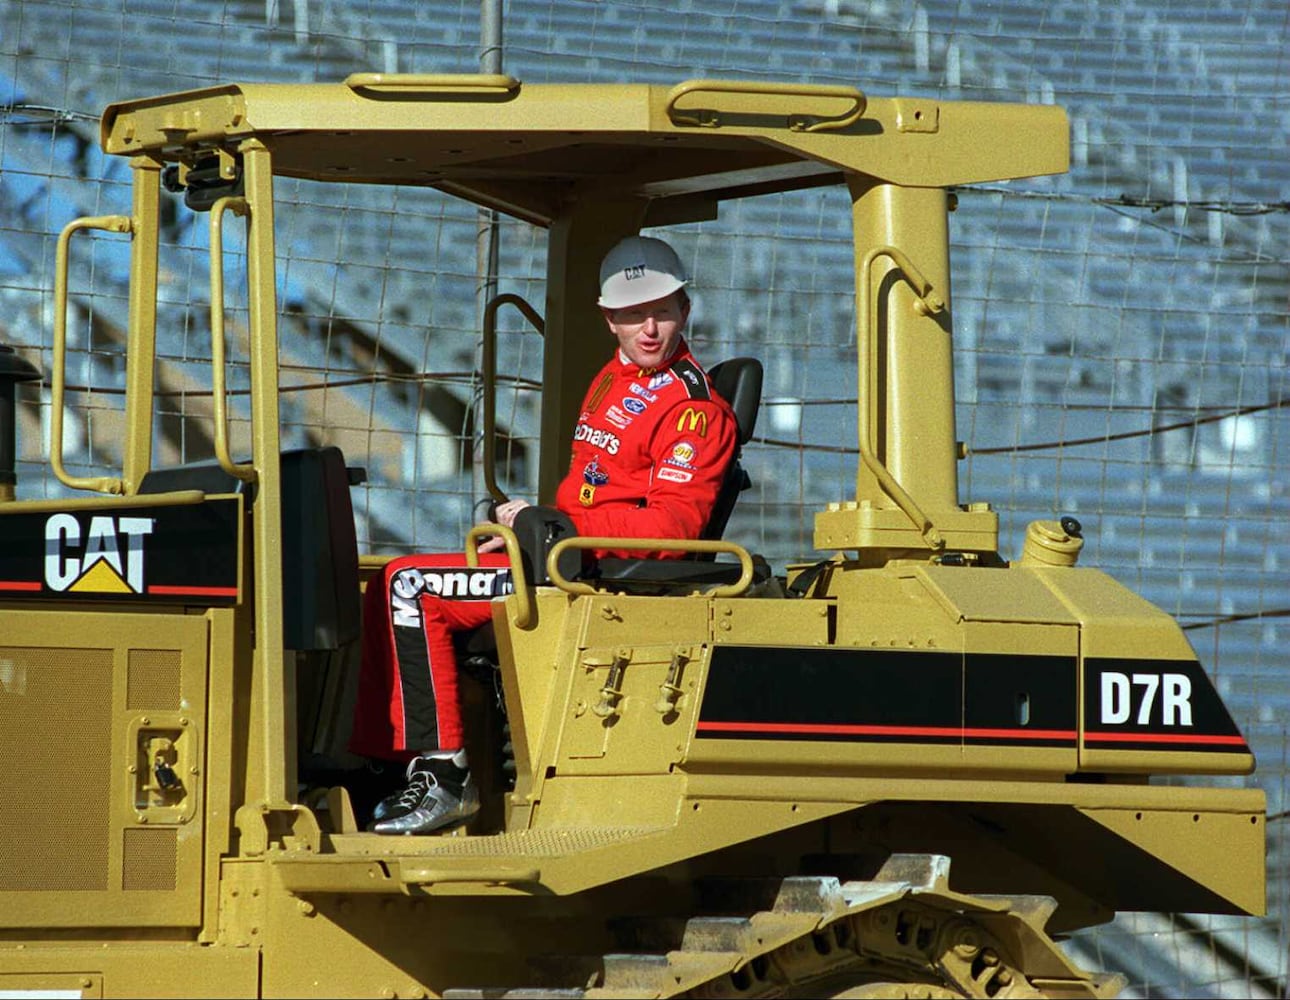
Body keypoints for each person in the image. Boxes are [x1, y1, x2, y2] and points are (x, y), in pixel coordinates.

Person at [348, 235, 738, 835]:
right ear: (610, 320)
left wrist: (558, 529)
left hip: (594, 568)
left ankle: (446, 779)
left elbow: (672, 528)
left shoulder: (695, 410)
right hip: (563, 554)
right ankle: (390, 765)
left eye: (662, 310)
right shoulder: (615, 378)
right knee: (385, 582)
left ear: (685, 309)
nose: (650, 329)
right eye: (633, 315)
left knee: (412, 587)